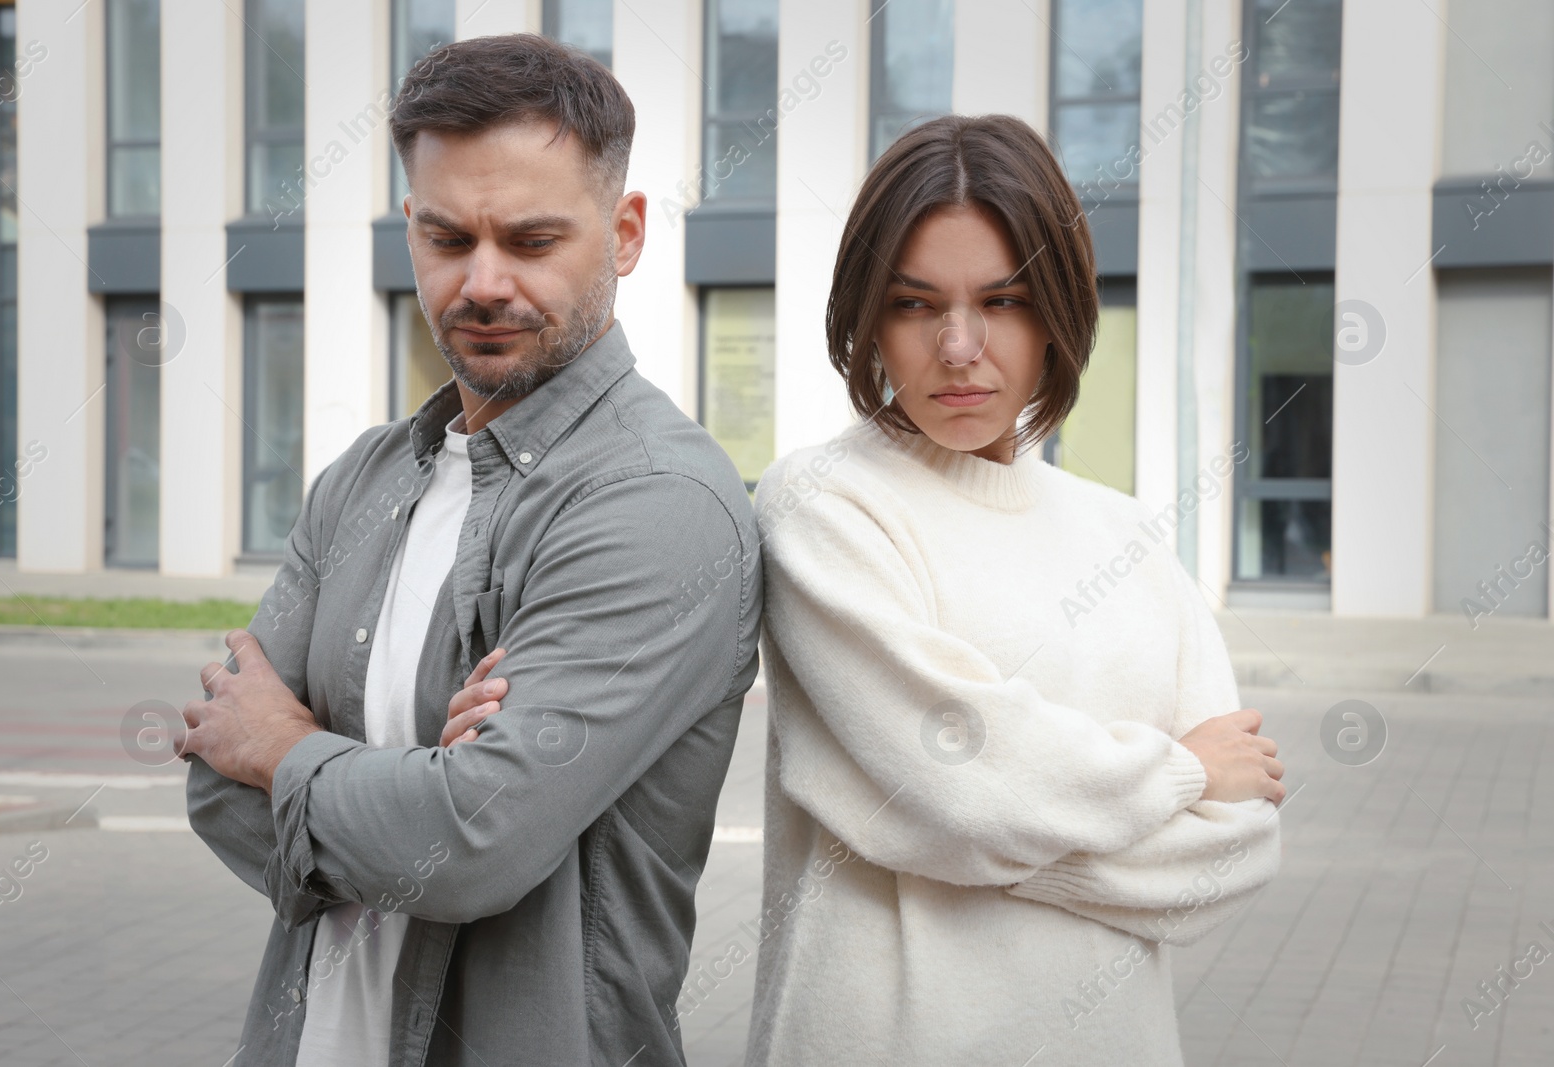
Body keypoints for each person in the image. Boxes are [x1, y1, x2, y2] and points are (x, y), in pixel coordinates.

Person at [175, 34, 761, 1066]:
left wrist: (287, 751)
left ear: (624, 233)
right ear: (410, 228)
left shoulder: (658, 502)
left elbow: (465, 844)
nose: (483, 282)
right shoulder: (363, 478)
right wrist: (402, 786)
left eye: (532, 241)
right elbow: (214, 791)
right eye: (448, 238)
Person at [745, 114, 1285, 1066]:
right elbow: (954, 785)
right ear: (869, 314)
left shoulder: (1127, 537)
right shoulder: (825, 505)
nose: (959, 346)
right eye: (916, 305)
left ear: (1058, 313)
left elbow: (1235, 851)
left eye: (1002, 300)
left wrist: (977, 841)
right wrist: (1178, 770)